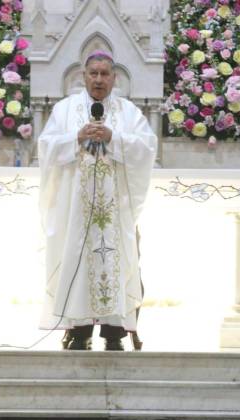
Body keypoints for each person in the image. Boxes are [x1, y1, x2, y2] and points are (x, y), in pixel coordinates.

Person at [37, 51, 157, 351]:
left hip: (115, 209)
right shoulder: (65, 110)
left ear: (115, 78)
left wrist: (113, 138)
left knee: (117, 260)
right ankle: (78, 329)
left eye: (105, 74)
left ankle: (114, 331)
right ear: (83, 76)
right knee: (74, 255)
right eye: (94, 73)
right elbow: (46, 147)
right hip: (75, 208)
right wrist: (75, 138)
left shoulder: (128, 112)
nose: (99, 79)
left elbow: (146, 148)